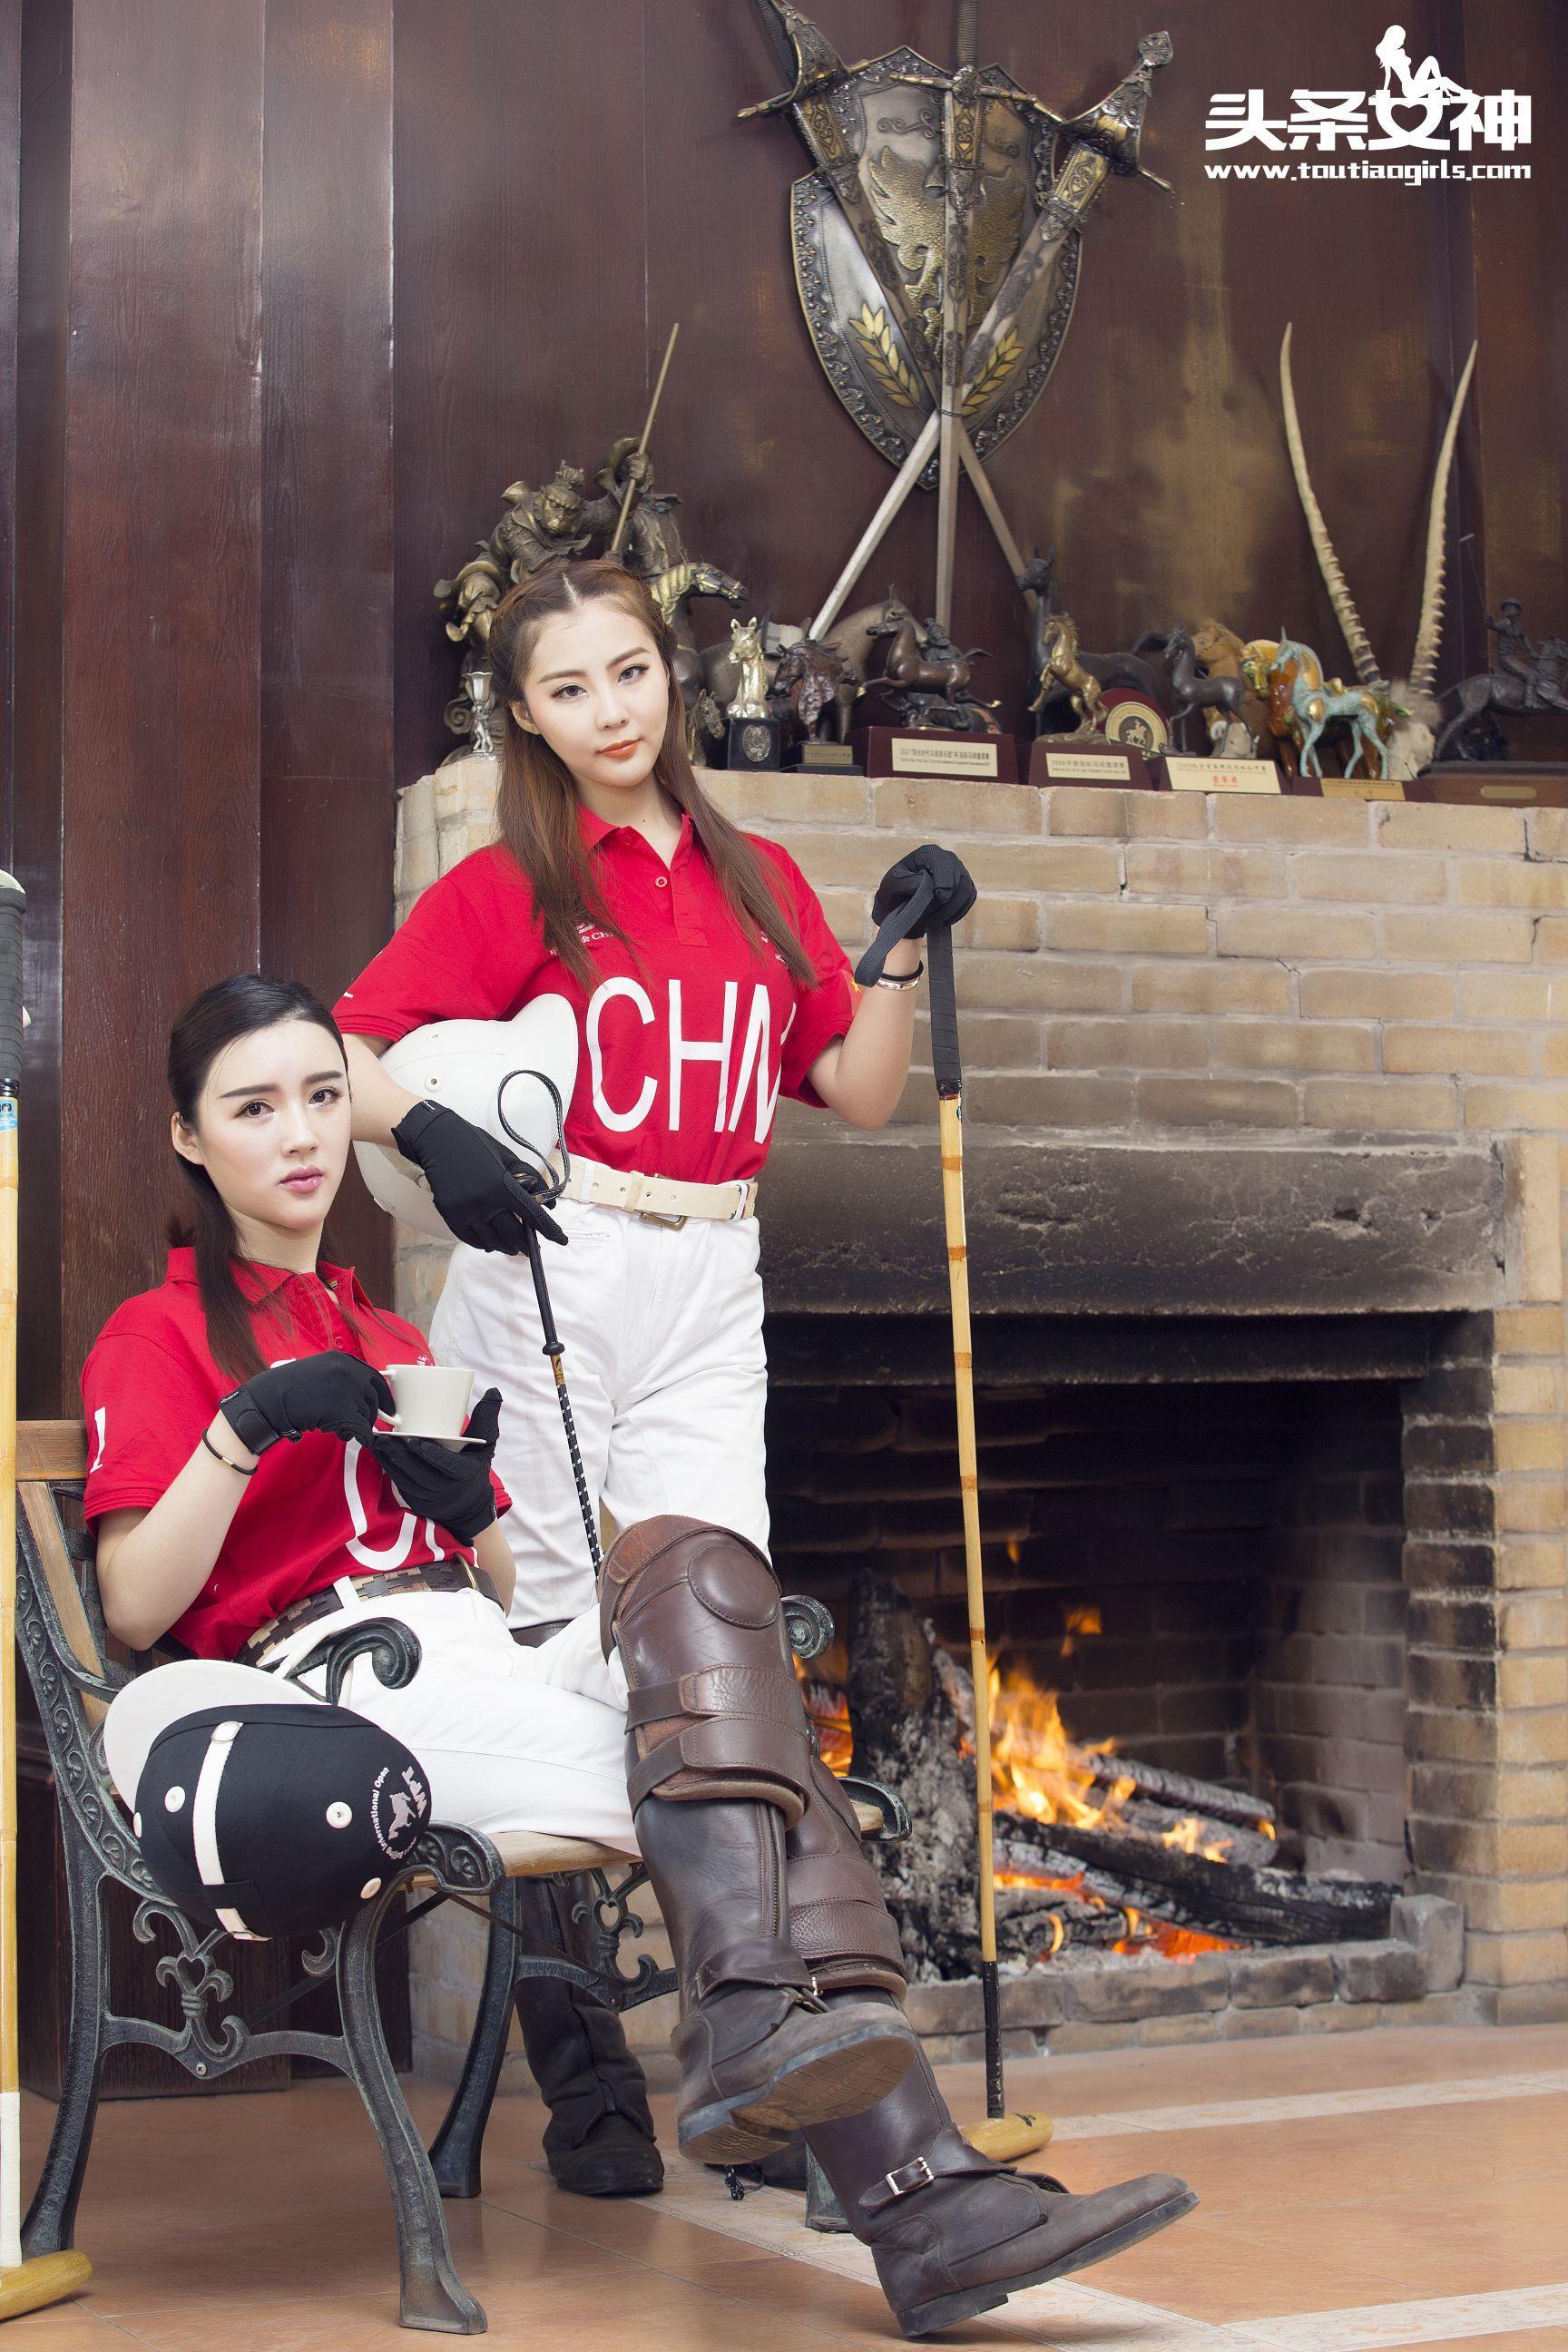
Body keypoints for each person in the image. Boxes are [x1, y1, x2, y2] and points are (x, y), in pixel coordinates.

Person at [84, 974, 1197, 2336]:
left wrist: (467, 1504)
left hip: (477, 1648)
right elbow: (135, 1605)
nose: (305, 1135)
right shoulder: (159, 1332)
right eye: (255, 1108)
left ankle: (779, 2069)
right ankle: (922, 2195)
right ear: (191, 1137)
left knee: (695, 1571)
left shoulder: (387, 1331)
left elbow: (492, 1582)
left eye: (325, 1095)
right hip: (342, 1693)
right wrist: (247, 1426)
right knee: (741, 1773)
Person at [333, 555, 975, 2190]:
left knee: (718, 1652)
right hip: (557, 1262)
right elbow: (343, 1047)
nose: (610, 711)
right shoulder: (512, 885)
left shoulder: (756, 879)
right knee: (563, 1655)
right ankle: (587, 2069)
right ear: (527, 719)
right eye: (568, 689)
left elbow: (857, 1090)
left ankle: (752, 2042)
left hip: (713, 1272)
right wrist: (432, 1134)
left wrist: (898, 949)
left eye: (630, 672)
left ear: (671, 674)